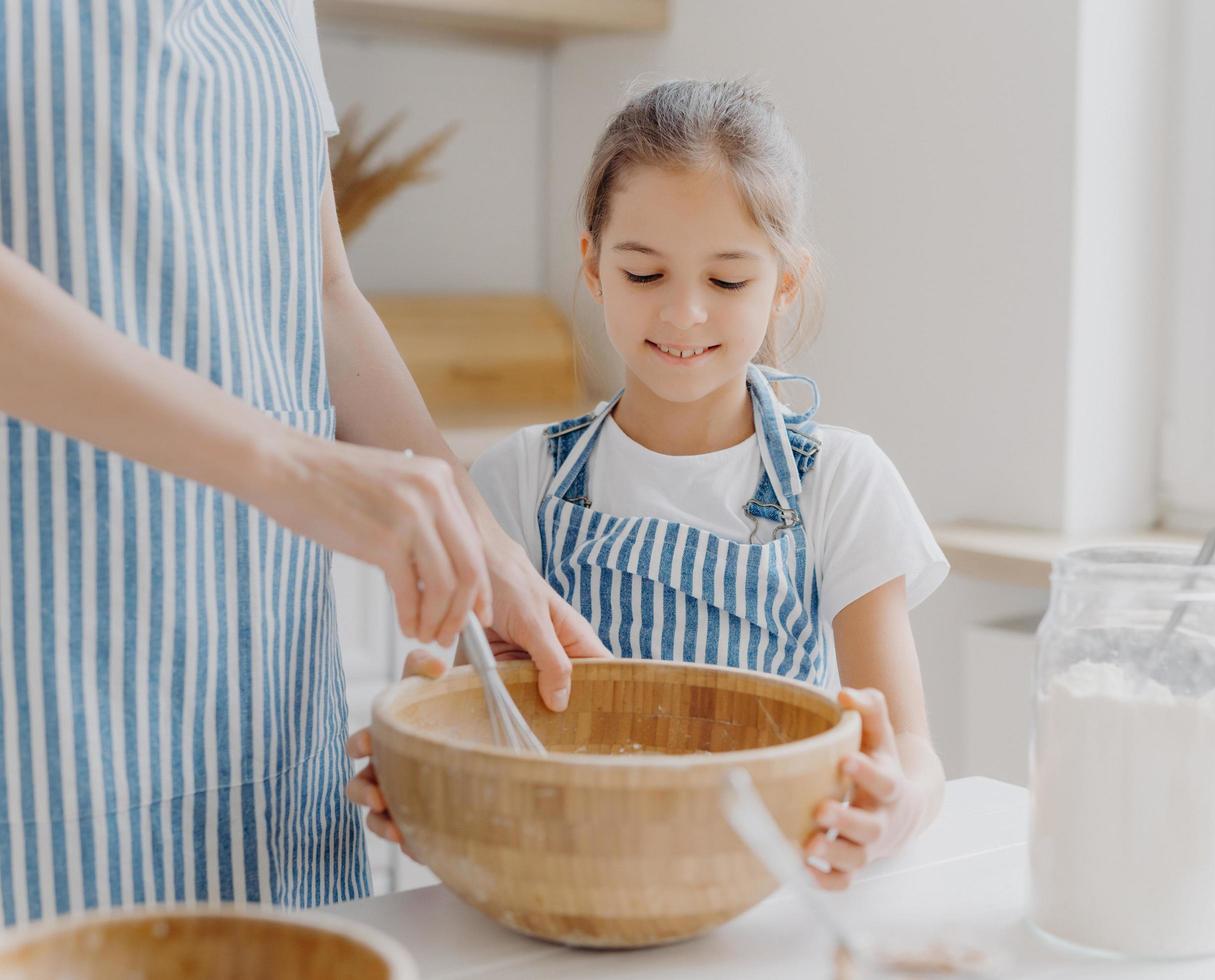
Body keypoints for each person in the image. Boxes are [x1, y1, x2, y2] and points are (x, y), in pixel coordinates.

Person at [0, 0, 603, 924]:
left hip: (256, 674)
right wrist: (286, 464)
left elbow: (321, 288)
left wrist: (480, 540)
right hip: (41, 653)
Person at [350, 79, 949, 889]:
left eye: (728, 282)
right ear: (593, 268)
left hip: (755, 901)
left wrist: (894, 809)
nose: (683, 316)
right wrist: (425, 782)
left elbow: (909, 750)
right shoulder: (521, 479)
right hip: (557, 888)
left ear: (785, 284)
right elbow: (468, 717)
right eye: (644, 275)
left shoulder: (839, 481)